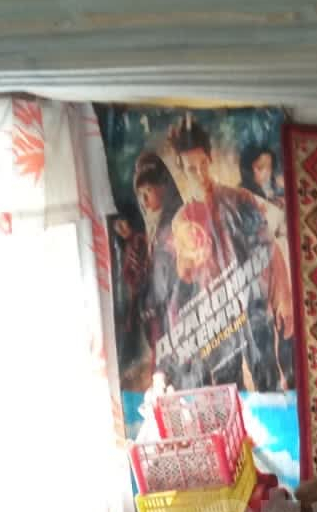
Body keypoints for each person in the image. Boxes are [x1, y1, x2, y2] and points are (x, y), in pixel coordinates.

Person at [168, 116, 294, 391]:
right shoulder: (182, 219)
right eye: (191, 169)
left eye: (203, 165)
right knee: (226, 384)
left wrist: (284, 297)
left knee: (266, 377)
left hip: (254, 305)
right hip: (216, 312)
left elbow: (269, 248)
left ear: (210, 159)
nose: (200, 174)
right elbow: (184, 278)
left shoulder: (240, 199)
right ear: (181, 171)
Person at [113, 151, 183, 386]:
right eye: (140, 194)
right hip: (154, 310)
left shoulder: (176, 221)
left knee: (173, 364)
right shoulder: (149, 225)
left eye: (149, 191)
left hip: (174, 306)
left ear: (163, 187)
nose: (144, 200)